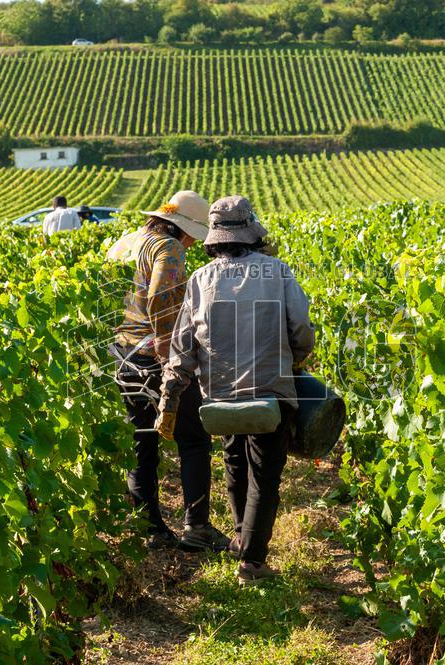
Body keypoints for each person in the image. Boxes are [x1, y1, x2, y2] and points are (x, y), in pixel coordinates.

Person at [157, 195, 315, 586]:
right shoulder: (276, 271)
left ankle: (242, 535)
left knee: (234, 461)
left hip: (221, 394)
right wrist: (294, 361)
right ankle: (252, 561)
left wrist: (171, 394)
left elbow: (183, 345)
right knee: (264, 472)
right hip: (270, 390)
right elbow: (301, 329)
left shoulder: (201, 279)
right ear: (250, 232)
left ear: (214, 238)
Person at [113, 190, 230, 552]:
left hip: (122, 350)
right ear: (184, 228)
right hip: (152, 354)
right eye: (196, 234)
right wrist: (170, 358)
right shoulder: (169, 248)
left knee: (142, 438)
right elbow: (161, 302)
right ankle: (196, 528)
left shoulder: (132, 240)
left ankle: (148, 526)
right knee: (193, 439)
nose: (196, 243)